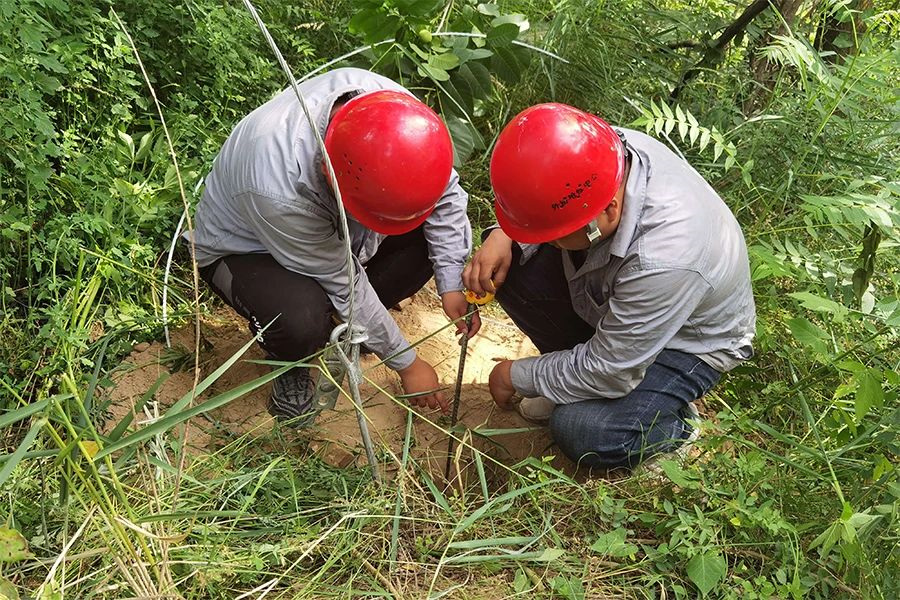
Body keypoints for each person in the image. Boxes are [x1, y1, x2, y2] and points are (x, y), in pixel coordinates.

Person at [464, 103, 755, 470]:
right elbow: (544, 195)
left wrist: (517, 375)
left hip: (686, 343)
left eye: (553, 236)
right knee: (510, 264)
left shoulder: (666, 255)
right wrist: (504, 235)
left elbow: (610, 369)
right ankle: (572, 385)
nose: (547, 243)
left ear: (609, 211)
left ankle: (673, 425)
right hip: (625, 306)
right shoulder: (595, 151)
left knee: (585, 431)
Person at [187, 67, 477, 421]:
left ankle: (348, 327)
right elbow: (345, 283)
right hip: (246, 249)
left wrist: (450, 283)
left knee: (419, 239)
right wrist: (408, 365)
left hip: (335, 235)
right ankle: (291, 361)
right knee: (301, 319)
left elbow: (444, 195)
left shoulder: (397, 116)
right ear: (328, 172)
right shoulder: (276, 185)